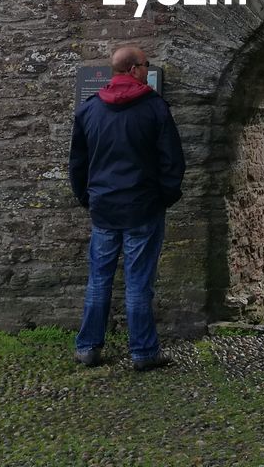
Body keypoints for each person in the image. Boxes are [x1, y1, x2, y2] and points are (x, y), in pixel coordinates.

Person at [69, 46, 185, 371]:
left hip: (104, 207)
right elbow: (172, 160)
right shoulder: (154, 108)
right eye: (146, 65)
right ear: (134, 69)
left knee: (99, 280)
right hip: (143, 207)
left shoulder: (90, 110)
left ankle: (89, 348)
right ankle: (144, 353)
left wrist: (86, 197)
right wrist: (165, 197)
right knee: (137, 284)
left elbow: (77, 163)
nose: (148, 70)